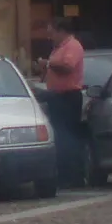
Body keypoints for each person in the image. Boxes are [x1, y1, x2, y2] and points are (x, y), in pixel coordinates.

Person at [37, 16, 85, 186]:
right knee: (60, 136)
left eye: (52, 32)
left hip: (68, 97)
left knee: (67, 136)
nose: (50, 36)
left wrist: (48, 63)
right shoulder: (59, 47)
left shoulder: (72, 46)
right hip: (58, 96)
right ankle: (64, 174)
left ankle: (73, 177)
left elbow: (68, 66)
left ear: (61, 31)